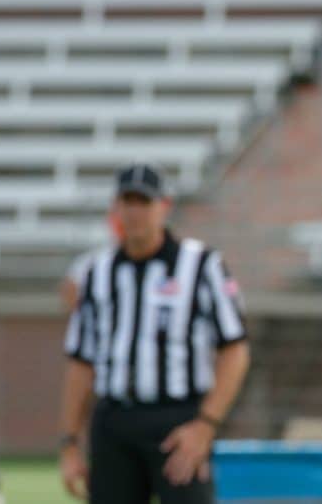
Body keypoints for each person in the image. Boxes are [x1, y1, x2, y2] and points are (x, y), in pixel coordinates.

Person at [58, 162, 251, 504]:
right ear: (115, 208)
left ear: (164, 206)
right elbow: (81, 361)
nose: (134, 212)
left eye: (143, 202)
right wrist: (70, 442)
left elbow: (234, 350)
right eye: (127, 202)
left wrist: (206, 424)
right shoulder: (95, 272)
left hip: (177, 421)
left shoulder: (201, 265)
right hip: (114, 421)